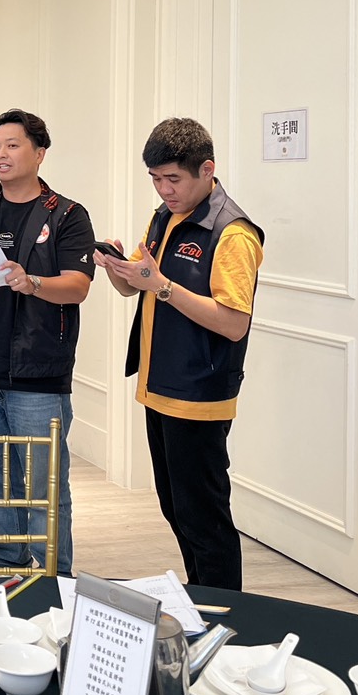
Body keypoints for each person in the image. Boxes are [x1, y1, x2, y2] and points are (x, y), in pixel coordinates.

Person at [92, 117, 264, 591]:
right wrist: (117, 270)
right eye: (155, 179)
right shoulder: (164, 217)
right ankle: (200, 601)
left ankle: (226, 613)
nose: (164, 190)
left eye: (173, 179)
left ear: (207, 170)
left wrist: (162, 285)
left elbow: (234, 322)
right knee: (176, 509)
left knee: (205, 519)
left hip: (199, 394)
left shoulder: (233, 233)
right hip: (160, 385)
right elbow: (137, 290)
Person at [0, 109, 94, 576]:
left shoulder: (67, 215)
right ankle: (8, 567)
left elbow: (78, 286)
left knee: (43, 487)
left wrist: (32, 282)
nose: (1, 154)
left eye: (12, 145)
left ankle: (55, 576)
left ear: (39, 153)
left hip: (39, 375)